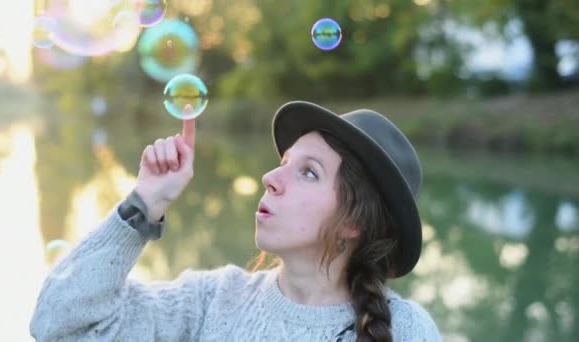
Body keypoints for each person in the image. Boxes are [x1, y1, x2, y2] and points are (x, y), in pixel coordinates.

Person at [30, 101, 442, 341]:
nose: (270, 178)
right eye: (283, 163)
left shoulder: (407, 330)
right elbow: (58, 323)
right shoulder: (212, 300)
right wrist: (144, 203)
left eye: (309, 172)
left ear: (354, 222)